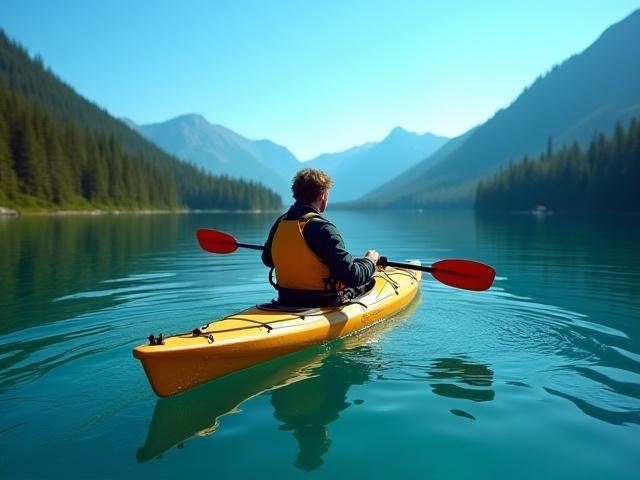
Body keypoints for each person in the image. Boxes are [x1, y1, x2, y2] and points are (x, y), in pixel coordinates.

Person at [262, 168, 380, 307]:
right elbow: (352, 277)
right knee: (369, 281)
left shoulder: (280, 223)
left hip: (286, 299)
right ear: (322, 194)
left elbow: (268, 260)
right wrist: (370, 261)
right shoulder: (324, 229)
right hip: (322, 303)